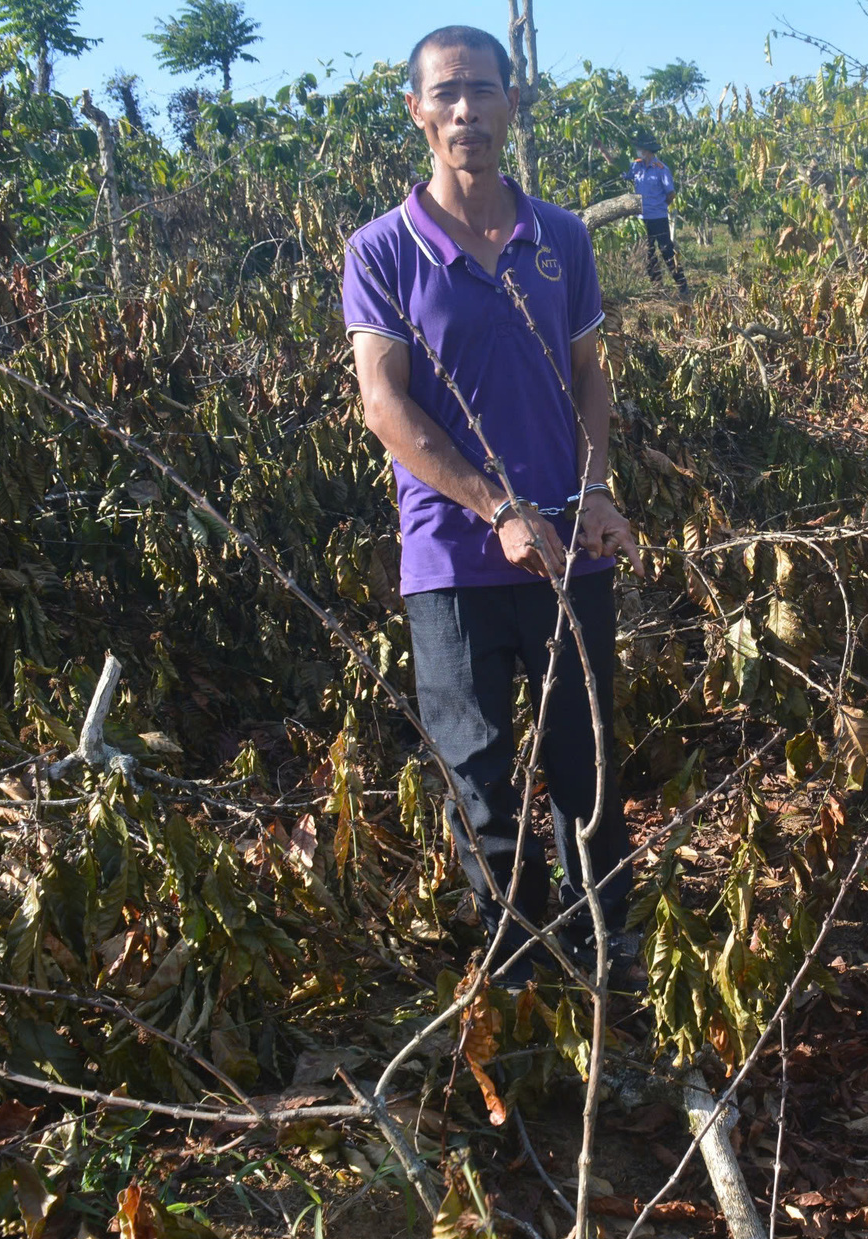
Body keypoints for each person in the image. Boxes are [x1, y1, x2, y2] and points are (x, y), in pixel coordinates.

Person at [340, 24, 645, 987]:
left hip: (572, 552)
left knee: (586, 761)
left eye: (482, 90)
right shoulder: (383, 251)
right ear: (417, 111)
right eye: (445, 94)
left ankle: (608, 957)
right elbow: (383, 403)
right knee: (479, 776)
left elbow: (590, 374)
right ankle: (516, 967)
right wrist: (496, 508)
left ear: (514, 103)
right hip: (453, 563)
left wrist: (593, 492)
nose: (465, 109)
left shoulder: (561, 237)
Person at [624, 133, 689, 295]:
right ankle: (657, 287)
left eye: (640, 149)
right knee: (648, 253)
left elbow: (671, 193)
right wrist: (603, 151)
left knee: (667, 250)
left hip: (658, 217)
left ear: (647, 151)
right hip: (642, 219)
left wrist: (660, 206)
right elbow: (620, 169)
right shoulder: (636, 167)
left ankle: (682, 285)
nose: (638, 151)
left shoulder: (661, 169)